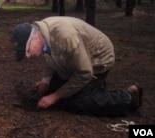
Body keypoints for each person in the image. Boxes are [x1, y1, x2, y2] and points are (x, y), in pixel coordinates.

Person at [11, 16, 143, 116]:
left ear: (34, 38)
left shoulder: (66, 38)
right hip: (73, 62)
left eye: (27, 51)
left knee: (77, 103)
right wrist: (46, 81)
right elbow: (50, 58)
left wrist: (55, 96)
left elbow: (84, 72)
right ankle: (90, 89)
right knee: (49, 92)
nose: (28, 56)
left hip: (96, 62)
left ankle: (127, 96)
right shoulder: (42, 34)